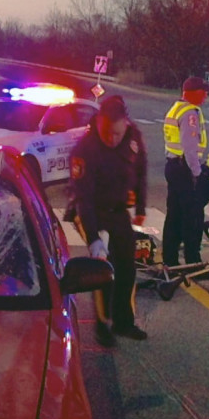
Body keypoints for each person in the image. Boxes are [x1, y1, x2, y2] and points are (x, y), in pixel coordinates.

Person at [69, 95, 148, 346]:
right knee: (104, 270)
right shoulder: (85, 150)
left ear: (125, 123)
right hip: (92, 212)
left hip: (119, 212)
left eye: (116, 133)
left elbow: (141, 169)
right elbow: (84, 199)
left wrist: (141, 206)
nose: (111, 139)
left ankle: (124, 322)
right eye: (106, 132)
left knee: (127, 267)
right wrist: (93, 239)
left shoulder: (132, 137)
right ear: (98, 122)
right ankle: (103, 325)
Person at [161, 76, 209, 276]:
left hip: (173, 167)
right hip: (185, 170)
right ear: (192, 93)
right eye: (203, 91)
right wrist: (197, 173)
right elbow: (190, 147)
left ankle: (171, 261)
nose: (206, 95)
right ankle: (193, 264)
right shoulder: (190, 112)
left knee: (174, 215)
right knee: (193, 217)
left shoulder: (175, 108)